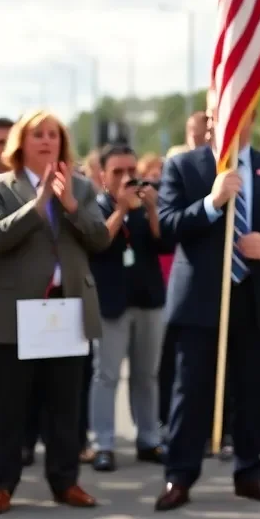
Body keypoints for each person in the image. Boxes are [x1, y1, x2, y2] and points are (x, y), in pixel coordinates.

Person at [153, 98, 260, 512]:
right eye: (218, 114)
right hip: (201, 300)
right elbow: (167, 226)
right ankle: (179, 475)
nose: (224, 122)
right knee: (191, 390)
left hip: (258, 299)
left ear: (252, 116)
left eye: (237, 112)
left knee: (253, 389)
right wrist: (211, 202)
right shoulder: (185, 167)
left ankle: (249, 472)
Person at [0, 110, 110, 516]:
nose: (46, 141)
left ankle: (66, 482)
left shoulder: (80, 186)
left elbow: (100, 238)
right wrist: (39, 204)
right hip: (14, 314)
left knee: (64, 405)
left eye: (53, 135)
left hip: (65, 310)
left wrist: (71, 205)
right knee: (8, 406)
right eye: (37, 135)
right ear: (20, 143)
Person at [88, 144, 170, 471]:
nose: (126, 178)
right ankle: (103, 444)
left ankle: (149, 439)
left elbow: (164, 243)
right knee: (105, 375)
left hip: (148, 300)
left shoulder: (148, 203)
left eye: (131, 171)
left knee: (147, 375)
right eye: (118, 172)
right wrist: (120, 210)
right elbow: (99, 242)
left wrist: (150, 211)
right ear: (103, 176)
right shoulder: (94, 207)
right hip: (111, 304)